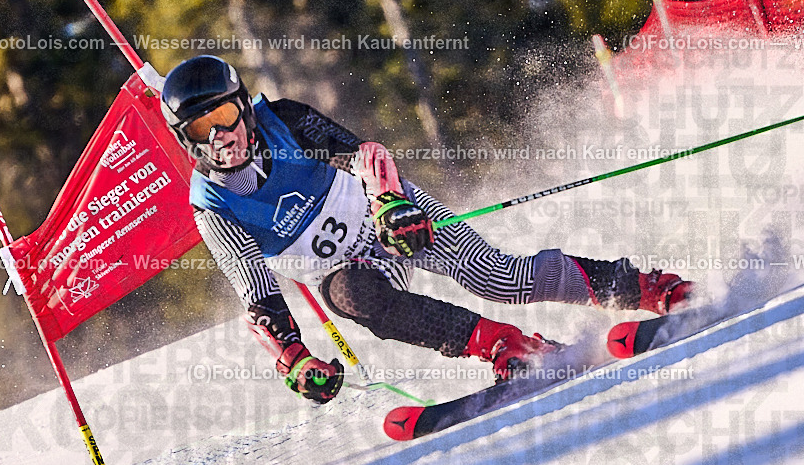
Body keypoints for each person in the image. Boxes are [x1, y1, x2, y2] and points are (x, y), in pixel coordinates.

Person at [160, 55, 691, 404]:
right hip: (350, 267)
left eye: (226, 115)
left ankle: (643, 287)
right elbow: (258, 292)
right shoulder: (212, 207)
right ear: (187, 139)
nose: (221, 136)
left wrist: (388, 201)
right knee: (352, 297)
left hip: (392, 217)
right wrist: (292, 357)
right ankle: (504, 346)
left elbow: (360, 155)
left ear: (243, 107)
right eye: (202, 129)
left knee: (501, 279)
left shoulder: (284, 120)